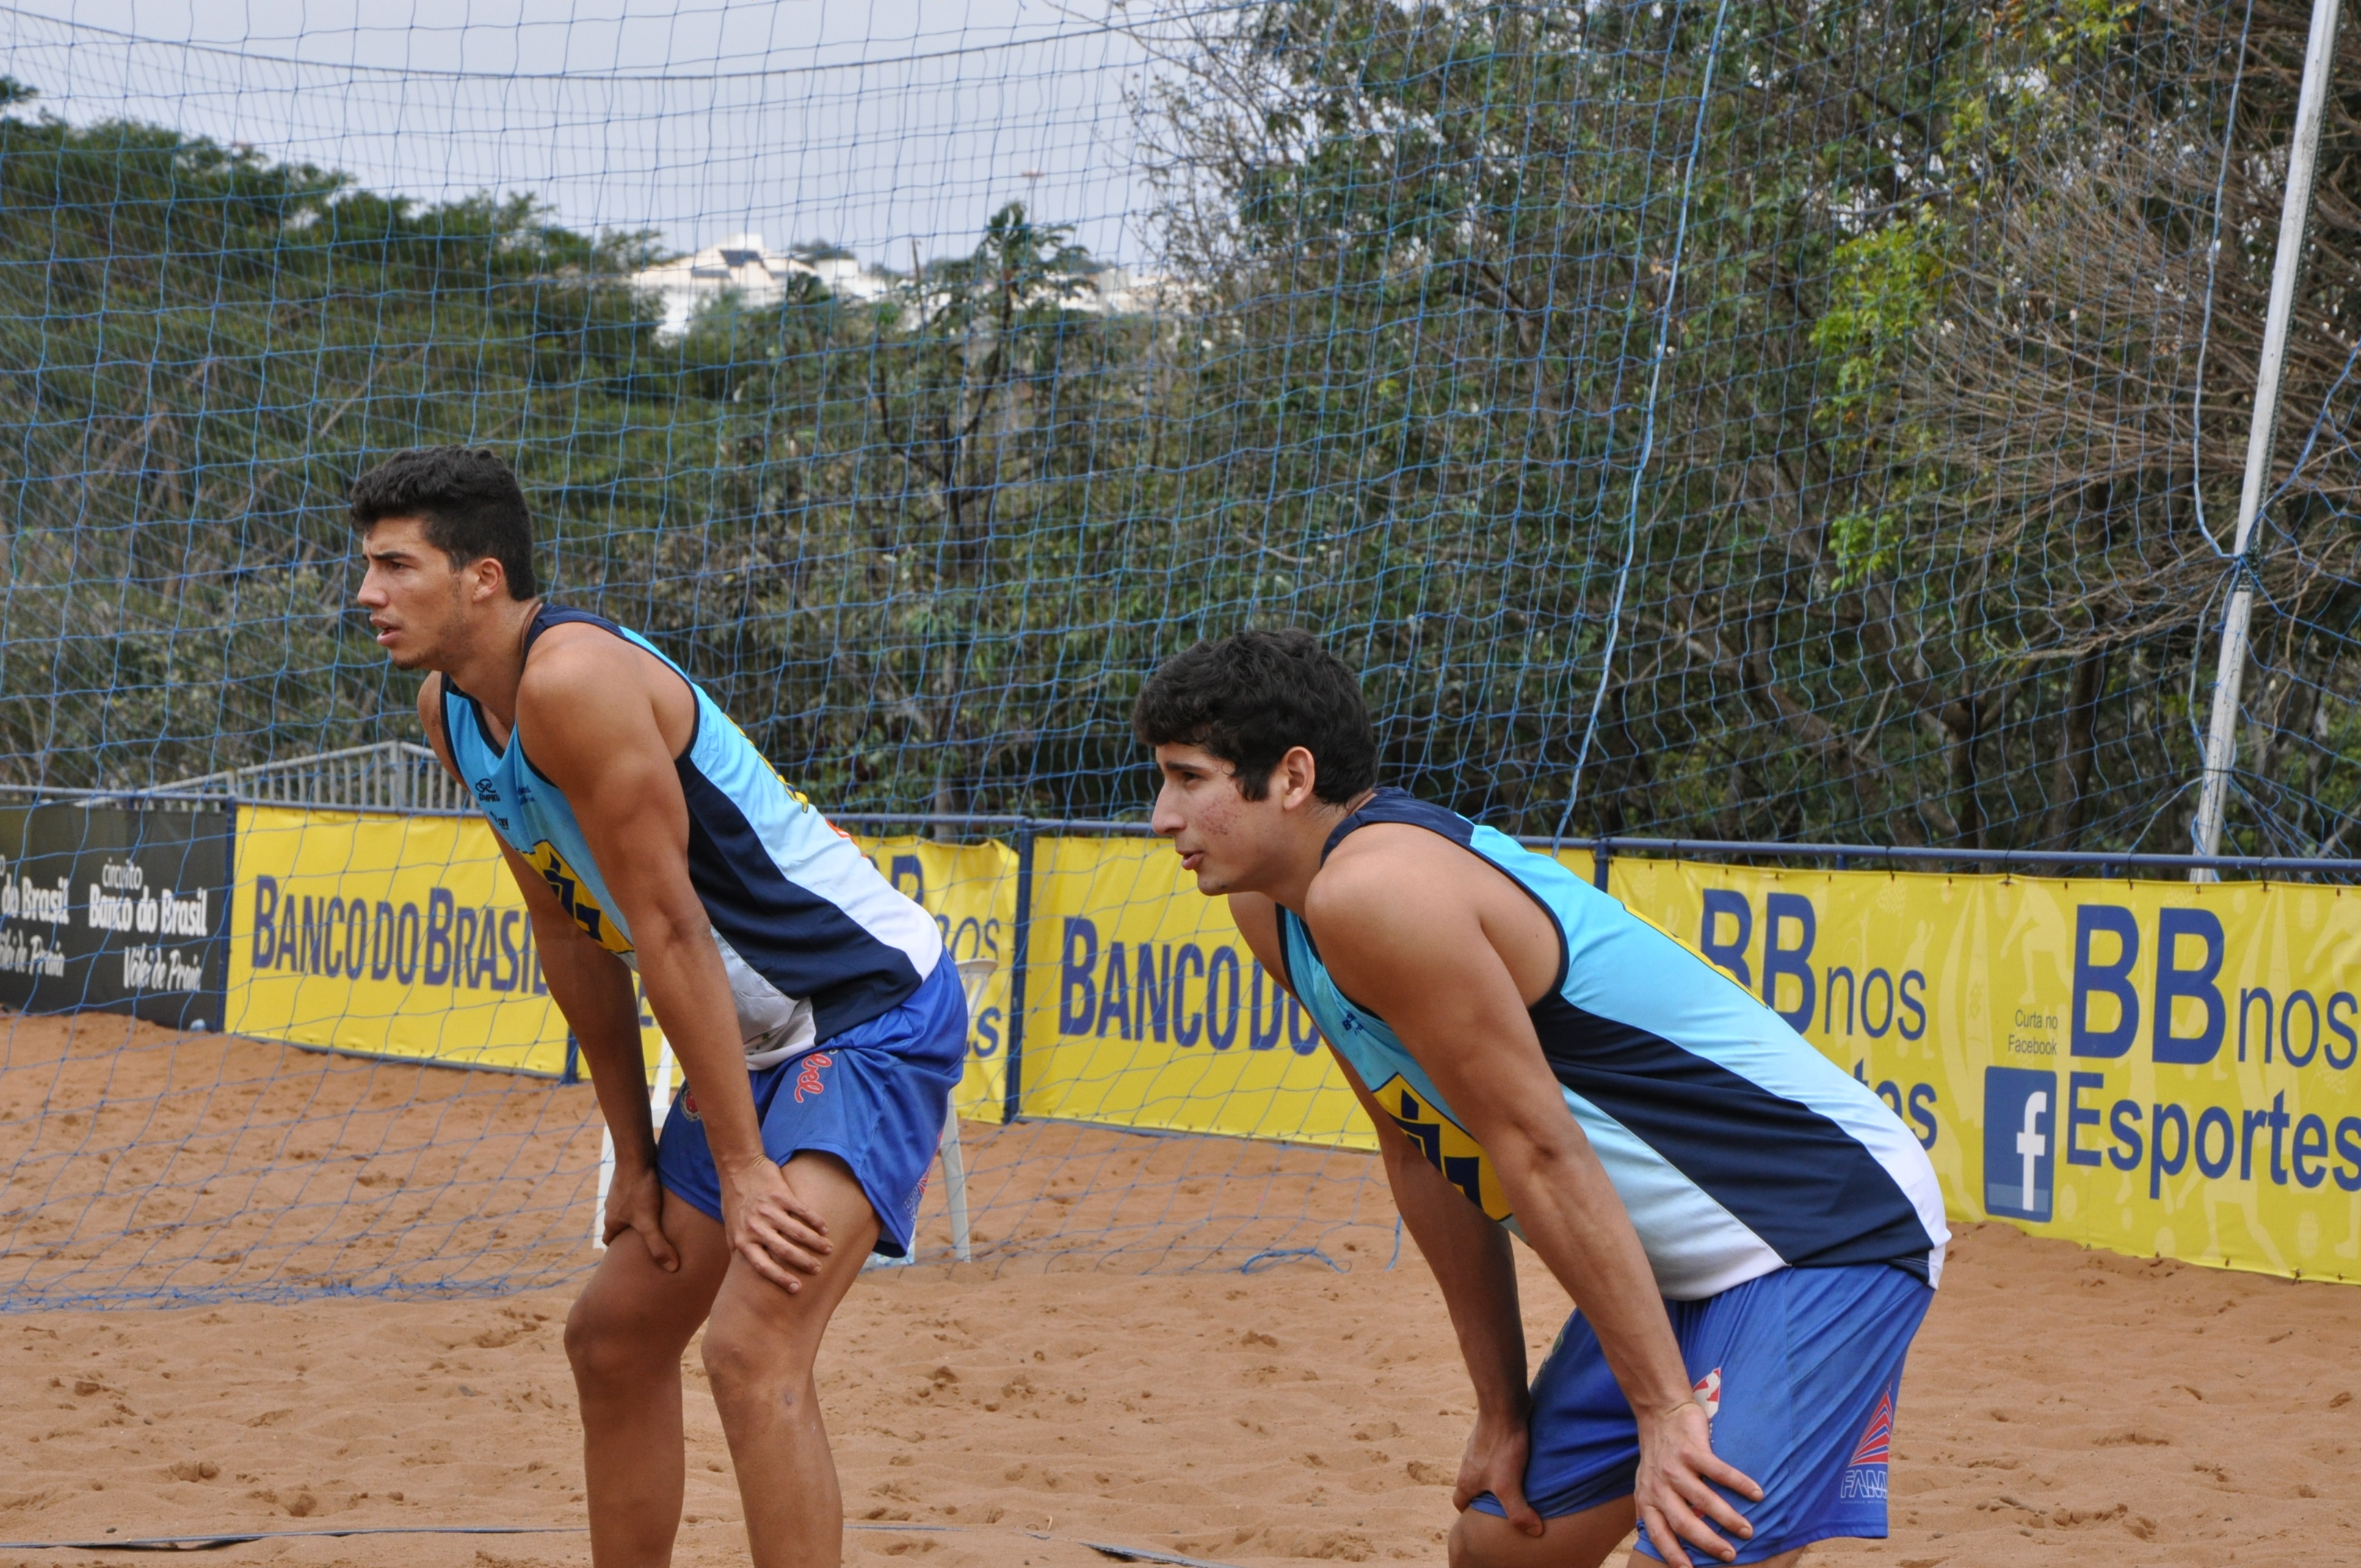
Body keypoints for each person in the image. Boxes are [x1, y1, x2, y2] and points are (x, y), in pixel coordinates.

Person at [1134, 630, 1947, 1568]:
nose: (1162, 815)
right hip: (1674, 1267)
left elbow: (1539, 1149)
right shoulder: (1275, 911)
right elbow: (1420, 1151)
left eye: (1188, 778)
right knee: (1497, 1549)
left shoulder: (1378, 890)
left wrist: (1665, 1410)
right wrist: (1498, 1408)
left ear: (1291, 777)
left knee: (1690, 1546)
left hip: (1826, 1223)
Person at [351, 446, 962, 1568]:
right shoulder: (454, 710)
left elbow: (672, 931)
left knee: (752, 1346)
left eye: (396, 566)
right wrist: (635, 1155)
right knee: (615, 1339)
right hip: (750, 1037)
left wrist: (738, 1166)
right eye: (367, 567)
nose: (367, 594)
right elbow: (570, 933)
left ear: (482, 576)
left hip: (865, 1010)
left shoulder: (572, 681)